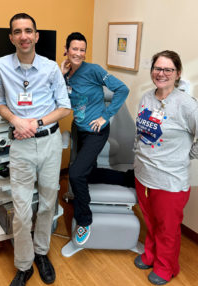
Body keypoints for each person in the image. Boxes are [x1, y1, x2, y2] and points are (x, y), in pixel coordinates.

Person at [0, 13, 71, 286]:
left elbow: (64, 107)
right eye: (17, 31)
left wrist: (33, 123)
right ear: (11, 37)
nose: (23, 36)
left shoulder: (50, 69)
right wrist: (15, 121)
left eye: (28, 30)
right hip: (21, 146)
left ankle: (41, 253)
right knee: (22, 211)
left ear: (36, 36)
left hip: (48, 143)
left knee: (48, 203)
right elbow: (0, 102)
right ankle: (24, 266)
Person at [133, 50, 198, 285]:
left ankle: (166, 267)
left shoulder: (186, 105)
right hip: (143, 174)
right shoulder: (146, 97)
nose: (161, 73)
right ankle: (151, 255)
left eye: (167, 69)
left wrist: (188, 155)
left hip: (169, 180)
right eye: (157, 68)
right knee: (150, 220)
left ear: (177, 74)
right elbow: (140, 131)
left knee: (167, 228)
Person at [61, 32, 133, 246]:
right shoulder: (65, 74)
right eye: (74, 49)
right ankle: (129, 179)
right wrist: (60, 74)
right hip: (80, 129)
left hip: (97, 131)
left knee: (74, 173)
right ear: (66, 50)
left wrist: (106, 116)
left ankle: (84, 220)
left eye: (82, 49)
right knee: (87, 173)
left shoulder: (93, 70)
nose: (79, 53)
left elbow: (122, 89)